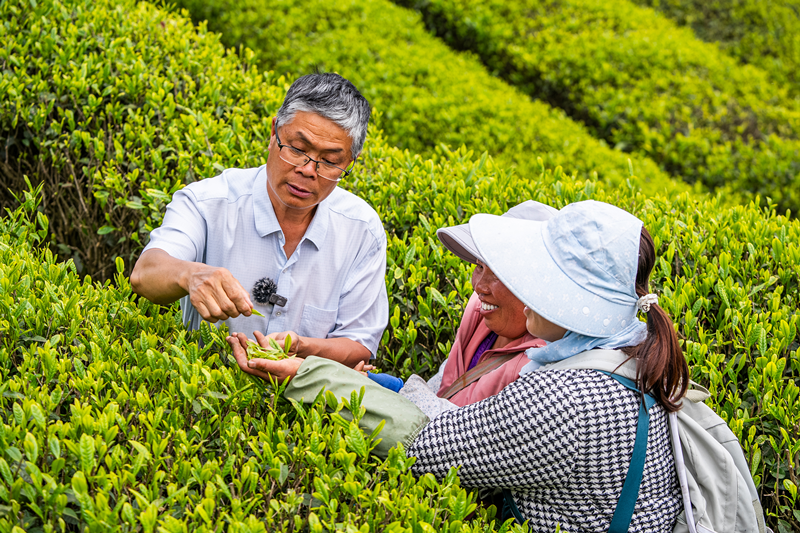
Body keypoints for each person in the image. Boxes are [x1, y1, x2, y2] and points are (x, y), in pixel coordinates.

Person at [229, 200, 690, 531]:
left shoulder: (566, 400)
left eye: (537, 274)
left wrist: (306, 376)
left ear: (569, 296)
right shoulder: (628, 356)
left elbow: (425, 445)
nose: (524, 284)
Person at [131, 73, 388, 367]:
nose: (308, 170)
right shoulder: (207, 203)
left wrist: (301, 348)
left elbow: (359, 343)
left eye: (329, 161)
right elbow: (145, 274)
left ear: (349, 162)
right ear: (274, 132)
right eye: (297, 149)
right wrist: (189, 275)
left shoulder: (362, 230)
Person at [362, 201, 555, 409]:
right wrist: (390, 389)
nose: (479, 287)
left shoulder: (543, 370)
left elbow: (467, 426)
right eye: (480, 266)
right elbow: (443, 389)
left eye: (498, 274)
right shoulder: (479, 316)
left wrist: (399, 393)